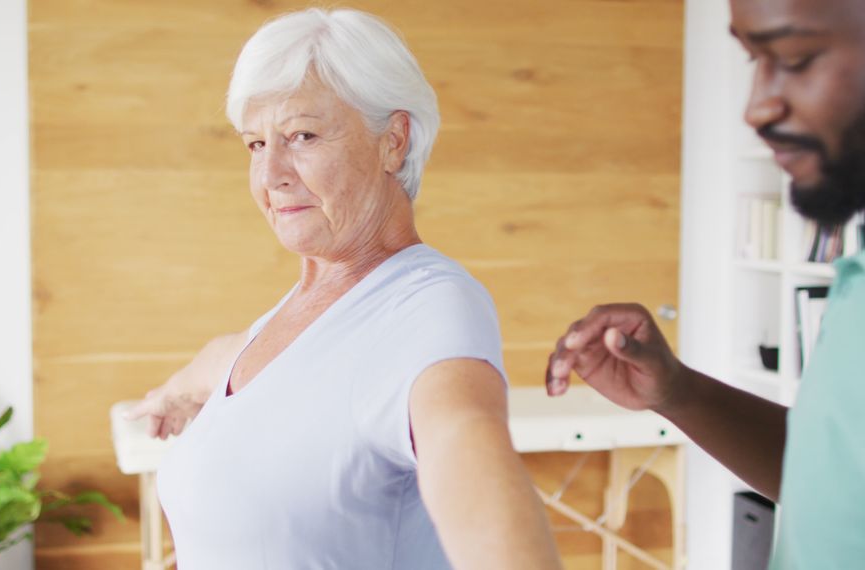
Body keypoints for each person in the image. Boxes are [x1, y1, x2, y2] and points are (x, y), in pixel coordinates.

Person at [124, 8, 561, 570]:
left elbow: (475, 474)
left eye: (301, 135)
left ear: (393, 142)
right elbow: (245, 363)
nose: (271, 174)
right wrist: (179, 391)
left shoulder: (429, 310)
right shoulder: (295, 313)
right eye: (255, 145)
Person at [547, 0, 865, 568]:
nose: (757, 108)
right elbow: (847, 488)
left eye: (796, 57)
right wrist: (679, 392)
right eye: (753, 59)